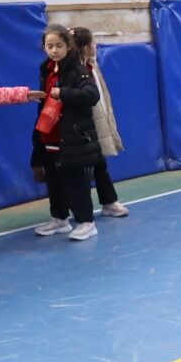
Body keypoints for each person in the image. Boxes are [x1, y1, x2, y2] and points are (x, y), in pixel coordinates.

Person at [29, 24, 101, 241]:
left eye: (59, 45)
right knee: (54, 181)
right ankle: (60, 219)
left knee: (75, 180)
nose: (54, 50)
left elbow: (91, 95)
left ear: (68, 46)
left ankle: (86, 222)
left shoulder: (78, 69)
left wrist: (64, 93)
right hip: (49, 135)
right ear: (44, 47)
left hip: (71, 137)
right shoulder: (46, 69)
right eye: (49, 46)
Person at [72, 28, 129, 219]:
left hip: (95, 125)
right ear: (86, 47)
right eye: (93, 43)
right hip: (81, 128)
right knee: (82, 169)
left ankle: (108, 202)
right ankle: (77, 212)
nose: (96, 46)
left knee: (99, 163)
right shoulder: (74, 71)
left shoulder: (92, 66)